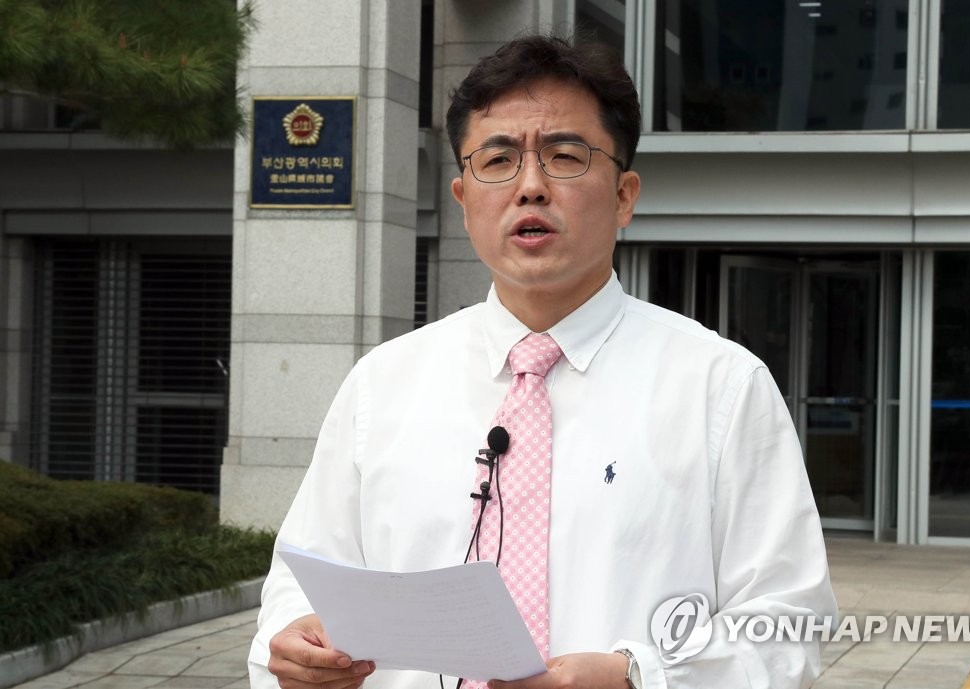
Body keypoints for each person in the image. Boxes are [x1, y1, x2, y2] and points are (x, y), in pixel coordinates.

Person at [249, 34, 837, 689]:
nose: (530, 186)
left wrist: (639, 677)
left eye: (564, 156)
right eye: (498, 159)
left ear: (624, 195)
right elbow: (301, 587)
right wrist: (295, 649)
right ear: (462, 199)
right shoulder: (381, 387)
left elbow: (788, 625)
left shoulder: (720, 388)